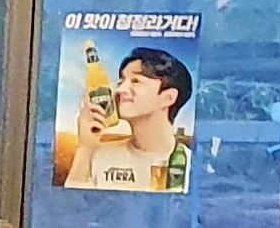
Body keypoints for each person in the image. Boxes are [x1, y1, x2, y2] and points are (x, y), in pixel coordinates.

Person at [65, 45, 195, 195]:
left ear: (168, 98)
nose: (120, 90)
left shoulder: (188, 164)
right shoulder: (99, 157)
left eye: (136, 81)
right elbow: (72, 204)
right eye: (121, 82)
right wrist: (85, 148)